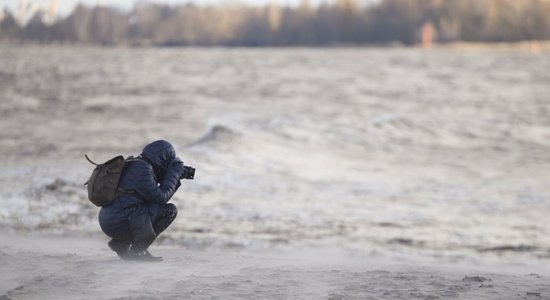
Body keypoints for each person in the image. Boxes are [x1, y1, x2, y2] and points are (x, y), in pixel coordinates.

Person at [98, 140, 189, 261]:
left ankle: (121, 244)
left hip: (110, 219)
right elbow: (162, 198)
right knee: (169, 211)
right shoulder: (143, 170)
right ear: (161, 158)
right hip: (119, 221)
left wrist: (174, 173)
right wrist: (175, 172)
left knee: (145, 207)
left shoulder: (136, 164)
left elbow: (151, 197)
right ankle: (138, 251)